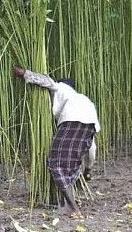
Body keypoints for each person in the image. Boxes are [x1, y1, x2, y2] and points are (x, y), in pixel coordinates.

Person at [13, 66, 100, 217]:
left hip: (71, 123)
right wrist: (88, 169)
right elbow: (91, 146)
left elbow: (47, 82)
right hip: (88, 128)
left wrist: (25, 73)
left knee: (56, 164)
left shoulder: (62, 88)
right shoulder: (85, 101)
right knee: (72, 164)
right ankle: (68, 202)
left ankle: (72, 207)